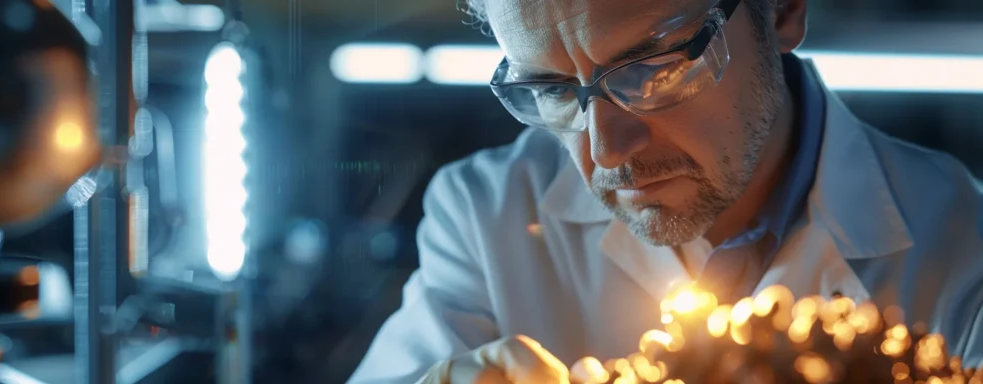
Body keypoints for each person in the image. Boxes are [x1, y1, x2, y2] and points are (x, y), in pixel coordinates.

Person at [349, 0, 983, 382]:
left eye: (654, 66)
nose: (604, 151)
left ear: (781, 8)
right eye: (551, 90)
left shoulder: (963, 255)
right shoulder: (487, 215)